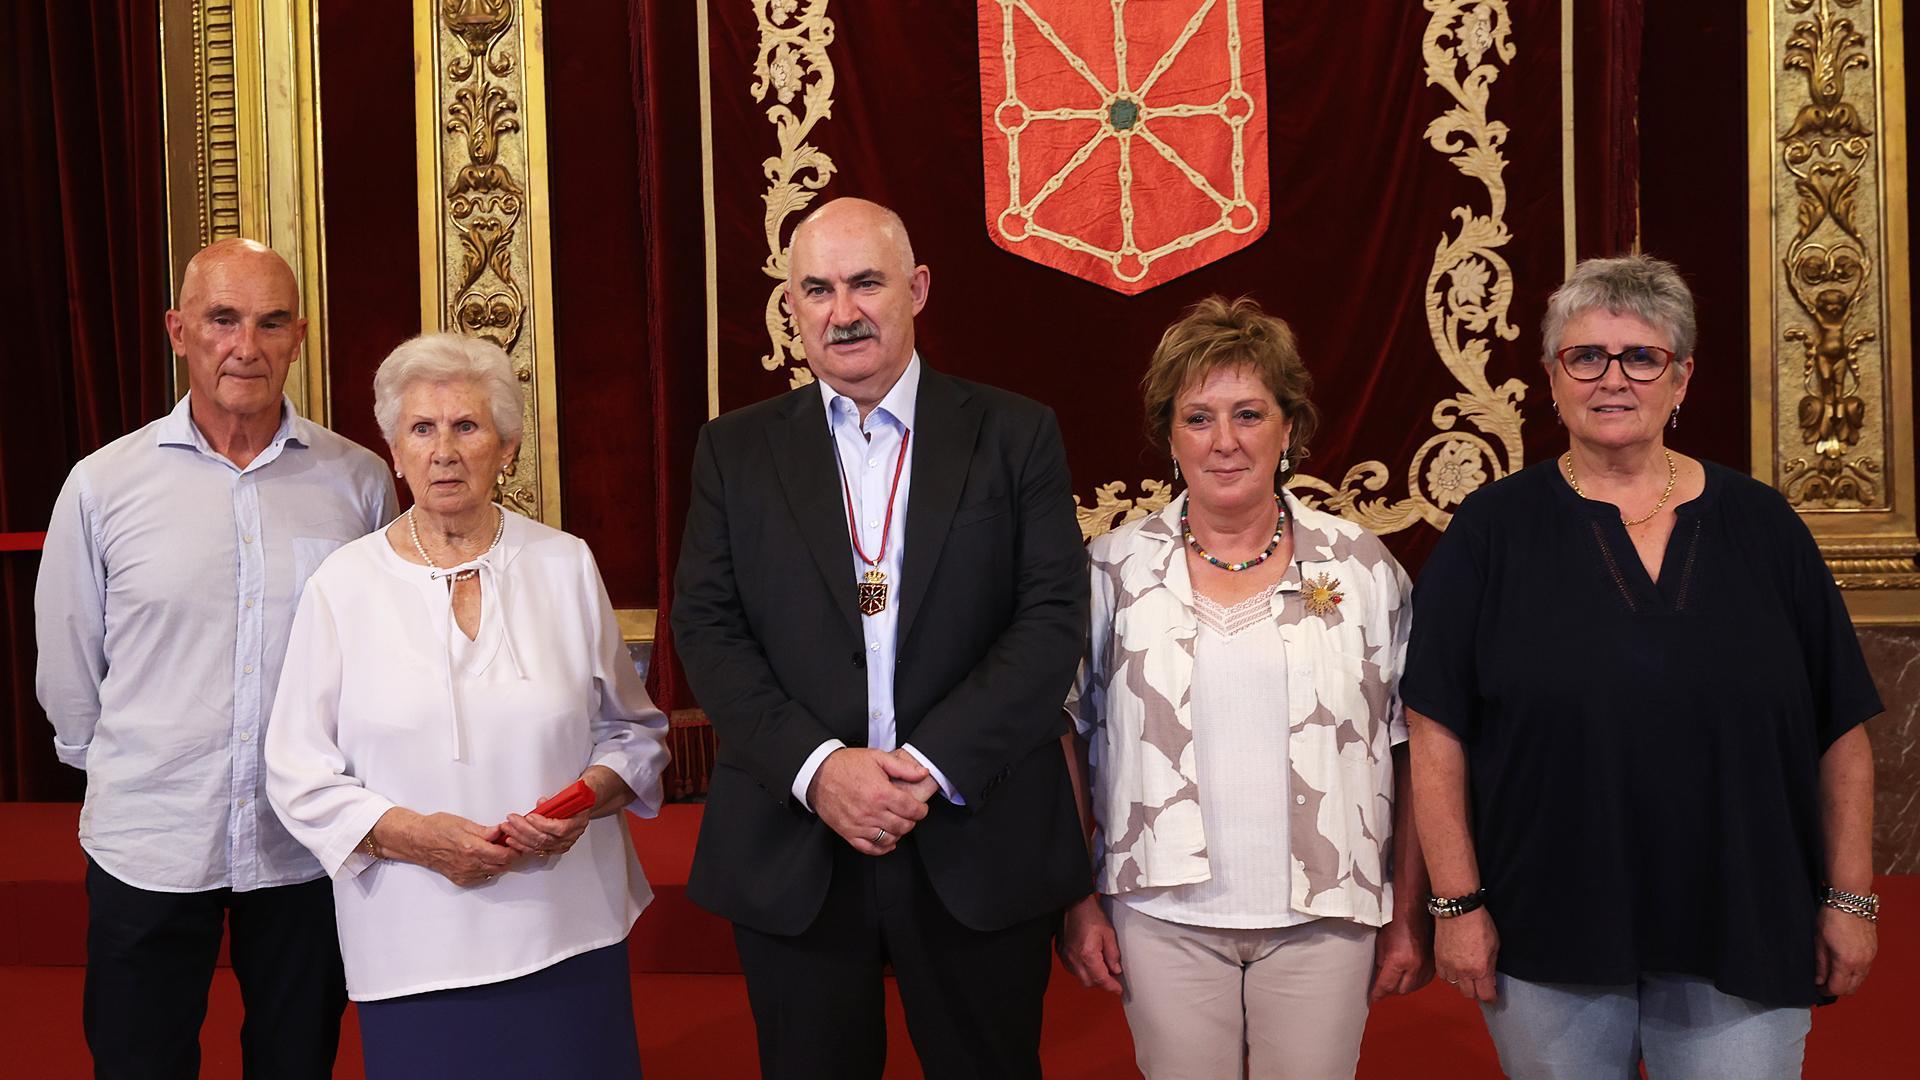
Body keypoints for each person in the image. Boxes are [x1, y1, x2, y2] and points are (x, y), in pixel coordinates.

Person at [1403, 254, 1881, 1079]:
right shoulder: (1491, 531)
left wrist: (1848, 898)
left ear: (1682, 377)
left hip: (1745, 913)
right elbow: (1434, 727)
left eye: (1641, 357)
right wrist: (1457, 905)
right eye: (1585, 357)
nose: (1612, 379)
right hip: (1547, 923)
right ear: (1553, 378)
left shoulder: (1764, 527)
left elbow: (1840, 728)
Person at [671, 197, 1089, 1079]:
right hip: (795, 841)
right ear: (791, 306)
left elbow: (1051, 619)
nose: (843, 311)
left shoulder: (1015, 433)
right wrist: (821, 767)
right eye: (816, 289)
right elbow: (707, 628)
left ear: (918, 289)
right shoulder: (733, 451)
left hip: (976, 831)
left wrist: (925, 769)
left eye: (866, 282)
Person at [34, 238, 395, 1078]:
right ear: (178, 330)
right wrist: (132, 772)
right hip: (152, 838)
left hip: (304, 842)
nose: (247, 346)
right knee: (139, 1061)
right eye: (222, 319)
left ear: (298, 336)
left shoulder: (361, 483)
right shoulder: (100, 486)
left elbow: (378, 658)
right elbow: (69, 666)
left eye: (272, 323)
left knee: (297, 1059)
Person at [264, 332, 670, 1077]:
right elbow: (298, 773)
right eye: (422, 428)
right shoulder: (342, 586)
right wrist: (416, 836)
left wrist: (584, 801)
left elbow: (634, 736)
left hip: (569, 929)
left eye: (467, 426)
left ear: (507, 447)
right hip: (413, 944)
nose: (443, 450)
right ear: (394, 448)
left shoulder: (564, 562)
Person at [1057, 296, 1433, 1078]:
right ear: (1169, 434)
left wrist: (1408, 915)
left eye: (1249, 414)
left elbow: (1411, 749)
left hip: (1327, 916)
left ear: (1289, 428)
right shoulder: (1111, 571)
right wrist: (1074, 900)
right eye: (1198, 417)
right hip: (1161, 914)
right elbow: (1066, 739)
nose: (1224, 441)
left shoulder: (1361, 568)